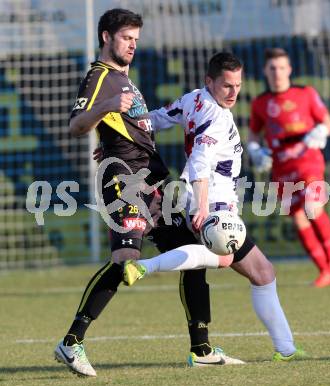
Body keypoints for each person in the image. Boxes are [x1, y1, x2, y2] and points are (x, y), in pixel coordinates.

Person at [54, 8, 241, 377]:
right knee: (126, 259)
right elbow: (77, 124)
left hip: (153, 180)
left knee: (196, 253)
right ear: (106, 37)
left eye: (136, 40)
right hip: (126, 181)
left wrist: (112, 131)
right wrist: (105, 111)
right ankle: (71, 342)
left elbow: (131, 125)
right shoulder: (100, 77)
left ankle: (201, 348)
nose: (133, 45)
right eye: (126, 38)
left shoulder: (125, 80)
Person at [124, 52, 304, 366]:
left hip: (203, 202)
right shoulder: (216, 118)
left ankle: (283, 349)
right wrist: (204, 208)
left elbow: (156, 119)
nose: (234, 93)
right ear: (210, 81)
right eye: (226, 86)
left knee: (254, 271)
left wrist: (121, 130)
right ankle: (147, 268)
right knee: (251, 268)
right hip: (214, 209)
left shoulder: (194, 99)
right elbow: (200, 163)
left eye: (238, 85)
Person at [248, 47, 330, 288]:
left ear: (289, 69)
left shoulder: (306, 93)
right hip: (282, 168)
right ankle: (324, 270)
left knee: (313, 208)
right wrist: (254, 150)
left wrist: (321, 130)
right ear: (265, 71)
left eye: (282, 67)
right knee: (299, 219)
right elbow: (253, 135)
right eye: (273, 68)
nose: (278, 73)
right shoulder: (261, 103)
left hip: (308, 162)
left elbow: (328, 122)